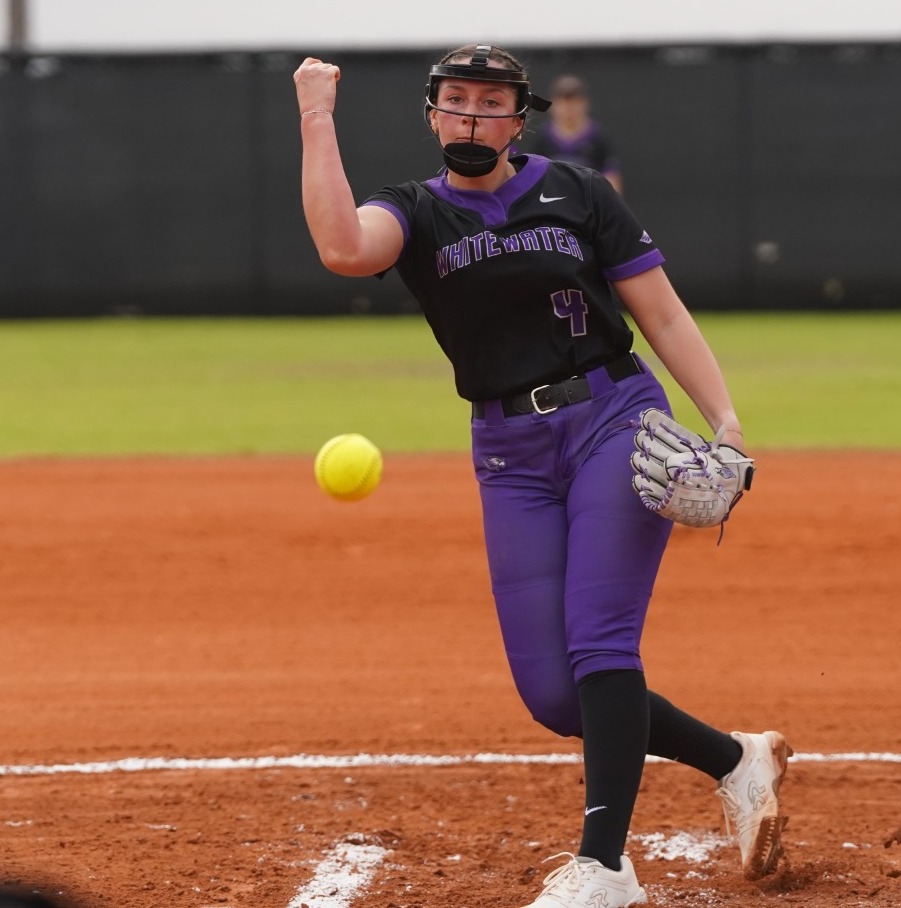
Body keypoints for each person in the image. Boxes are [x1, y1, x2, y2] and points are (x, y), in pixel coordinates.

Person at [293, 44, 791, 908]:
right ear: (432, 115)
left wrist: (725, 421)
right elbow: (342, 247)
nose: (472, 118)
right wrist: (315, 114)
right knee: (558, 696)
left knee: (601, 640)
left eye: (491, 104)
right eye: (456, 102)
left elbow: (660, 310)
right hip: (508, 453)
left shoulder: (575, 190)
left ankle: (604, 868)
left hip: (615, 419)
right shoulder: (414, 212)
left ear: (518, 119)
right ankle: (735, 758)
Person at [524, 74, 623, 193]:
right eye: (562, 102)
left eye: (574, 102)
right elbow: (531, 178)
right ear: (553, 105)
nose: (568, 108)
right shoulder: (542, 139)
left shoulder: (598, 138)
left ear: (585, 104)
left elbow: (611, 180)